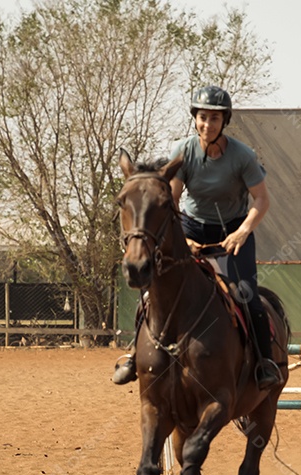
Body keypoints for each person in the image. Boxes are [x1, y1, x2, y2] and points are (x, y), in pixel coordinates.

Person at [112, 85, 282, 390]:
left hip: (233, 229)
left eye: (215, 119)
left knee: (247, 295)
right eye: (203, 117)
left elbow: (262, 201)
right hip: (190, 225)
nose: (208, 124)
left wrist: (242, 231)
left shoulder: (243, 156)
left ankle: (264, 362)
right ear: (195, 119)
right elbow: (172, 199)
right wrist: (183, 239)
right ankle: (134, 354)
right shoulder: (183, 151)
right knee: (155, 291)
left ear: (224, 122)